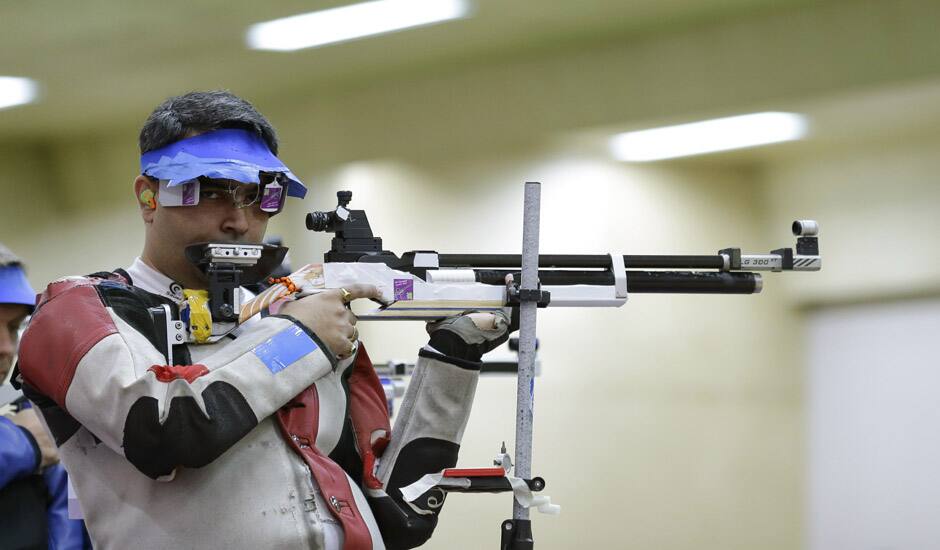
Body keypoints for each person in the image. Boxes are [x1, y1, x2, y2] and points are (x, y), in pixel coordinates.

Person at [15, 91, 509, 549]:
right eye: (210, 192)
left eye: (260, 196)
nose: (239, 220)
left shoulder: (294, 313)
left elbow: (397, 512)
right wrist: (300, 338)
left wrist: (452, 357)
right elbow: (165, 430)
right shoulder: (77, 310)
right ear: (148, 196)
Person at [1, 245, 91, 549]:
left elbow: (69, 524)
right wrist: (24, 442)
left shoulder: (33, 415)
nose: (5, 347)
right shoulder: (26, 434)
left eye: (13, 328)